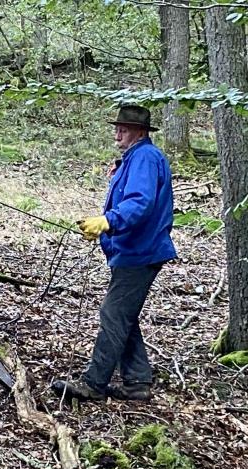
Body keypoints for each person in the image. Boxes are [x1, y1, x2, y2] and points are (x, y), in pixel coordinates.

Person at [51, 105, 176, 402]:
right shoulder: (135, 158)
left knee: (113, 313)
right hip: (134, 249)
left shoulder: (145, 157)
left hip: (140, 251)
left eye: (124, 128)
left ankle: (93, 384)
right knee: (123, 315)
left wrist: (108, 221)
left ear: (140, 132)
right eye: (117, 126)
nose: (117, 132)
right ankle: (137, 382)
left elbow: (140, 202)